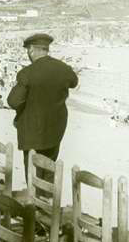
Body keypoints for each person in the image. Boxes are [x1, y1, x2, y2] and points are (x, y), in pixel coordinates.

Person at [7, 33, 78, 180]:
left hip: (32, 134)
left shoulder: (27, 73)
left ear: (32, 49)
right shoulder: (64, 69)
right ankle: (47, 200)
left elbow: (13, 101)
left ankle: (36, 202)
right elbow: (74, 82)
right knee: (49, 172)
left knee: (33, 176)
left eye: (28, 50)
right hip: (55, 131)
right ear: (46, 49)